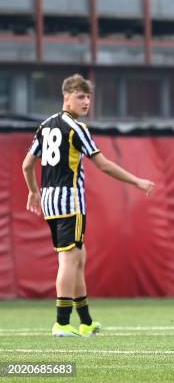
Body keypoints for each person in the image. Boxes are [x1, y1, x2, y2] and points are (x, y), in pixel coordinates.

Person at [22, 74, 154, 337]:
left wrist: (33, 191)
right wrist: (137, 181)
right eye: (80, 96)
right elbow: (103, 164)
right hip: (70, 201)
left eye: (88, 96)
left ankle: (85, 321)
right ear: (66, 97)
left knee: (78, 258)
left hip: (50, 200)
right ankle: (61, 322)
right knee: (69, 260)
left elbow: (26, 164)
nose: (86, 102)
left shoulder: (45, 125)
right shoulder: (76, 129)